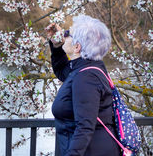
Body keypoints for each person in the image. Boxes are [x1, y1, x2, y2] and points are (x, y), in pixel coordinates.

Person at [45, 15, 121, 156]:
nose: (64, 35)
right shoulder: (88, 68)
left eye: (68, 33)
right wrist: (56, 47)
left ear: (77, 46)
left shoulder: (87, 77)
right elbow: (64, 73)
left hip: (91, 151)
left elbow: (85, 127)